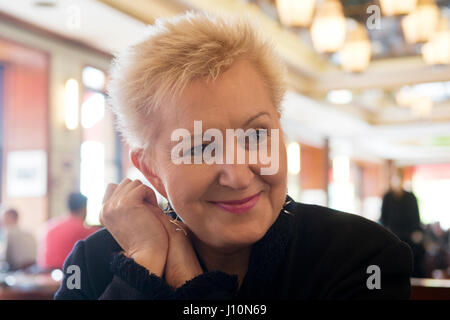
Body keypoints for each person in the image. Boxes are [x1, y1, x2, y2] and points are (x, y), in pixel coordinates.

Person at [55, 11, 412, 300]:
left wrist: (186, 278)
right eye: (199, 147)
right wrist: (144, 263)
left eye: (256, 135)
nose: (239, 175)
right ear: (151, 170)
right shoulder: (96, 264)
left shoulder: (360, 257)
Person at [380, 167, 426, 278]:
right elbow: (383, 219)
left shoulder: (411, 197)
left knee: (416, 255)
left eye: (399, 177)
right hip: (392, 237)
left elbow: (416, 220)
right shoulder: (387, 197)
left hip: (409, 237)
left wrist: (417, 233)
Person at [38, 192, 97, 270]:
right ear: (84, 208)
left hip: (45, 272)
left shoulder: (50, 225)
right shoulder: (84, 230)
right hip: (69, 273)